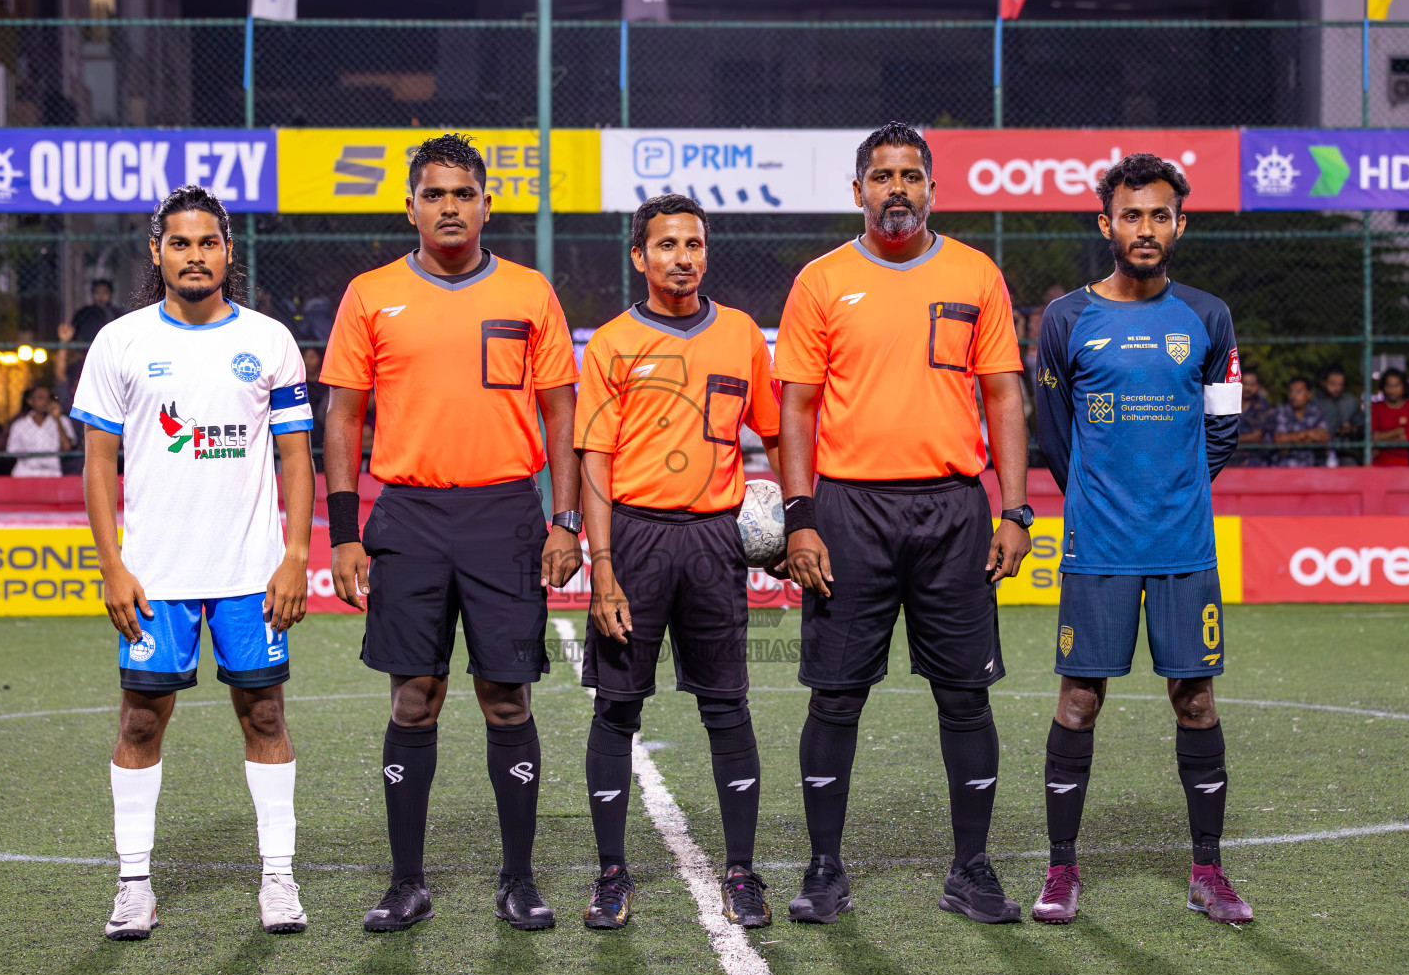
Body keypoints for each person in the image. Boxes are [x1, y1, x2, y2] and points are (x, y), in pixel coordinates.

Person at [320, 133, 584, 933]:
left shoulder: (530, 292)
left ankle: (519, 879)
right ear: (410, 206)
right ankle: (407, 883)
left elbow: (562, 412)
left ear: (485, 205)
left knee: (507, 698)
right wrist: (343, 531)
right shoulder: (370, 295)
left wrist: (564, 518)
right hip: (408, 513)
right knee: (415, 696)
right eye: (433, 194)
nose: (448, 207)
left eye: (462, 194)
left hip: (505, 510)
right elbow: (343, 417)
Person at [774, 122, 1031, 926]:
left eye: (910, 175)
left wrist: (1017, 509)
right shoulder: (821, 281)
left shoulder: (975, 273)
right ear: (857, 192)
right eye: (881, 176)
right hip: (850, 509)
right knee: (836, 697)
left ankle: (972, 869)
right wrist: (800, 519)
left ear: (930, 188)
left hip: (954, 509)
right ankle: (823, 871)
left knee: (965, 697)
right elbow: (796, 413)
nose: (896, 188)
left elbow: (1003, 399)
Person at [70, 185, 316, 940]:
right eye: (180, 243)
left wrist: (295, 554)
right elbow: (97, 467)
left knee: (266, 713)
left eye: (208, 242)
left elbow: (296, 458)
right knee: (141, 720)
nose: (195, 256)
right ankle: (134, 882)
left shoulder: (270, 340)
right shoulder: (121, 342)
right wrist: (113, 566)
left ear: (228, 251)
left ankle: (278, 878)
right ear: (157, 253)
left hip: (249, 571)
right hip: (156, 577)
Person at [1031, 152, 1250, 926]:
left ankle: (1208, 872)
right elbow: (1053, 439)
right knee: (1080, 701)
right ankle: (1061, 872)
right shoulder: (1066, 321)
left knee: (1194, 700)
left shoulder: (1210, 316)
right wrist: (1105, 497)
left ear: (1179, 224)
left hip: (1185, 546)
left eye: (1160, 215)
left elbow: (1224, 425)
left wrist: (1176, 488)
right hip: (1098, 549)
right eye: (1132, 215)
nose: (1146, 228)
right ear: (1107, 224)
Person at [576, 194, 782, 930]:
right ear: (640, 257)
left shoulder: (740, 337)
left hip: (714, 540)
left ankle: (742, 872)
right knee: (618, 707)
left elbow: (779, 431)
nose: (683, 257)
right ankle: (609, 873)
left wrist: (797, 515)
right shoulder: (610, 344)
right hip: (633, 538)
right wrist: (601, 566)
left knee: (726, 705)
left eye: (693, 244)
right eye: (666, 245)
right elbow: (594, 461)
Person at [6, 385, 76, 478]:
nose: (45, 402)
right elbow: (11, 450)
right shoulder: (19, 425)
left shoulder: (62, 421)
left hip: (52, 475)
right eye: (40, 398)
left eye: (48, 398)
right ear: (30, 401)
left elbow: (67, 447)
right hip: (24, 475)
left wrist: (57, 418)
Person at [1272, 376, 1329, 467]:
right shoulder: (1281, 411)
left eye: (1298, 392)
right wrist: (1306, 434)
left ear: (1309, 394)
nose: (1293, 395)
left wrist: (1292, 439)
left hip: (1310, 467)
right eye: (1290, 391)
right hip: (1283, 466)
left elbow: (1324, 437)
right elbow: (1279, 439)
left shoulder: (1315, 412)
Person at [1371, 369, 1409, 467]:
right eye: (1388, 385)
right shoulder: (1375, 407)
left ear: (1404, 387)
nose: (1392, 389)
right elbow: (1372, 436)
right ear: (1383, 387)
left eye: (1396, 385)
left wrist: (1380, 444)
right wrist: (1398, 431)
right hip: (1378, 463)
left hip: (1403, 462)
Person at [58, 278, 122, 346]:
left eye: (104, 293)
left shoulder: (118, 315)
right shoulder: (83, 314)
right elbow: (72, 334)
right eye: (97, 293)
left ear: (111, 294)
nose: (101, 296)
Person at [1312, 365, 1362, 449]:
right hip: (1320, 451)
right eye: (1333, 384)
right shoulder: (1313, 401)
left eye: (1340, 384)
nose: (1337, 388)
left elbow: (1361, 423)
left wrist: (1352, 428)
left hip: (1345, 450)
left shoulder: (1350, 400)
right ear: (1322, 382)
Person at [1234, 368, 1273, 466]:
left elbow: (1256, 436)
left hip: (1254, 461)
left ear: (1257, 386)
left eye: (1252, 385)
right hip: (1229, 459)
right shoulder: (1229, 404)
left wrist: (1227, 439)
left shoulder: (1262, 407)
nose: (1247, 388)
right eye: (1245, 384)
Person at [301, 346, 328, 472]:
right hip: (305, 438)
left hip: (324, 437)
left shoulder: (327, 385)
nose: (308, 361)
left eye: (312, 357)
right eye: (305, 357)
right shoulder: (298, 384)